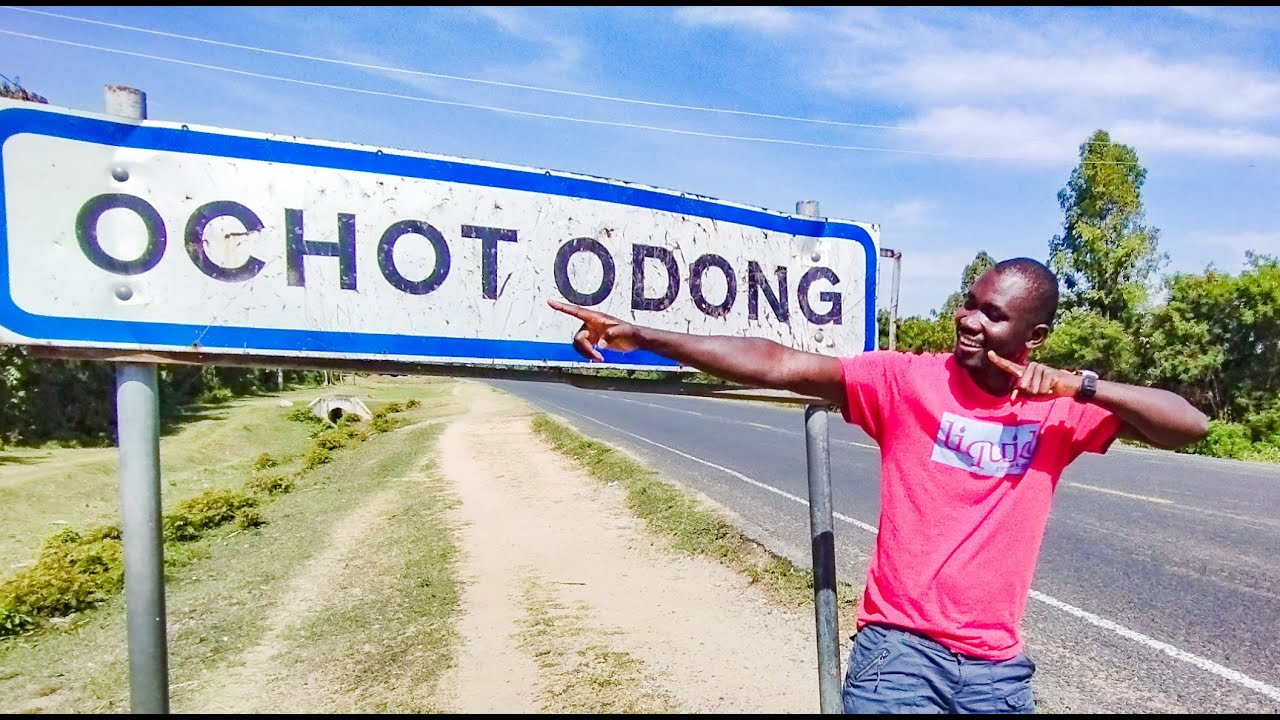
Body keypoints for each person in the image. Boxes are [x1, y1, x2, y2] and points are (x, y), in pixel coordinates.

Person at [547, 256, 1209, 714]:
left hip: (998, 671)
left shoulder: (1060, 411)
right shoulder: (906, 381)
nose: (970, 322)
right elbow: (778, 362)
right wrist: (644, 335)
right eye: (969, 305)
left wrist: (1083, 385)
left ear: (1033, 338)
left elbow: (1189, 425)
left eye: (993, 316)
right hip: (898, 655)